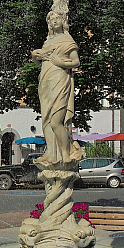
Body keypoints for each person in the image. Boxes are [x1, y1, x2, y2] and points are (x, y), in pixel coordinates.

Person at [32, 10, 80, 166]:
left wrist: (60, 62)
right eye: (51, 19)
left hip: (60, 79)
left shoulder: (67, 40)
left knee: (55, 121)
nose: (54, 21)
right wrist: (35, 56)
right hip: (45, 80)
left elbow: (76, 62)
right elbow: (40, 62)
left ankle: (65, 153)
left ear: (62, 20)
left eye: (57, 18)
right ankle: (51, 152)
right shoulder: (48, 41)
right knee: (46, 119)